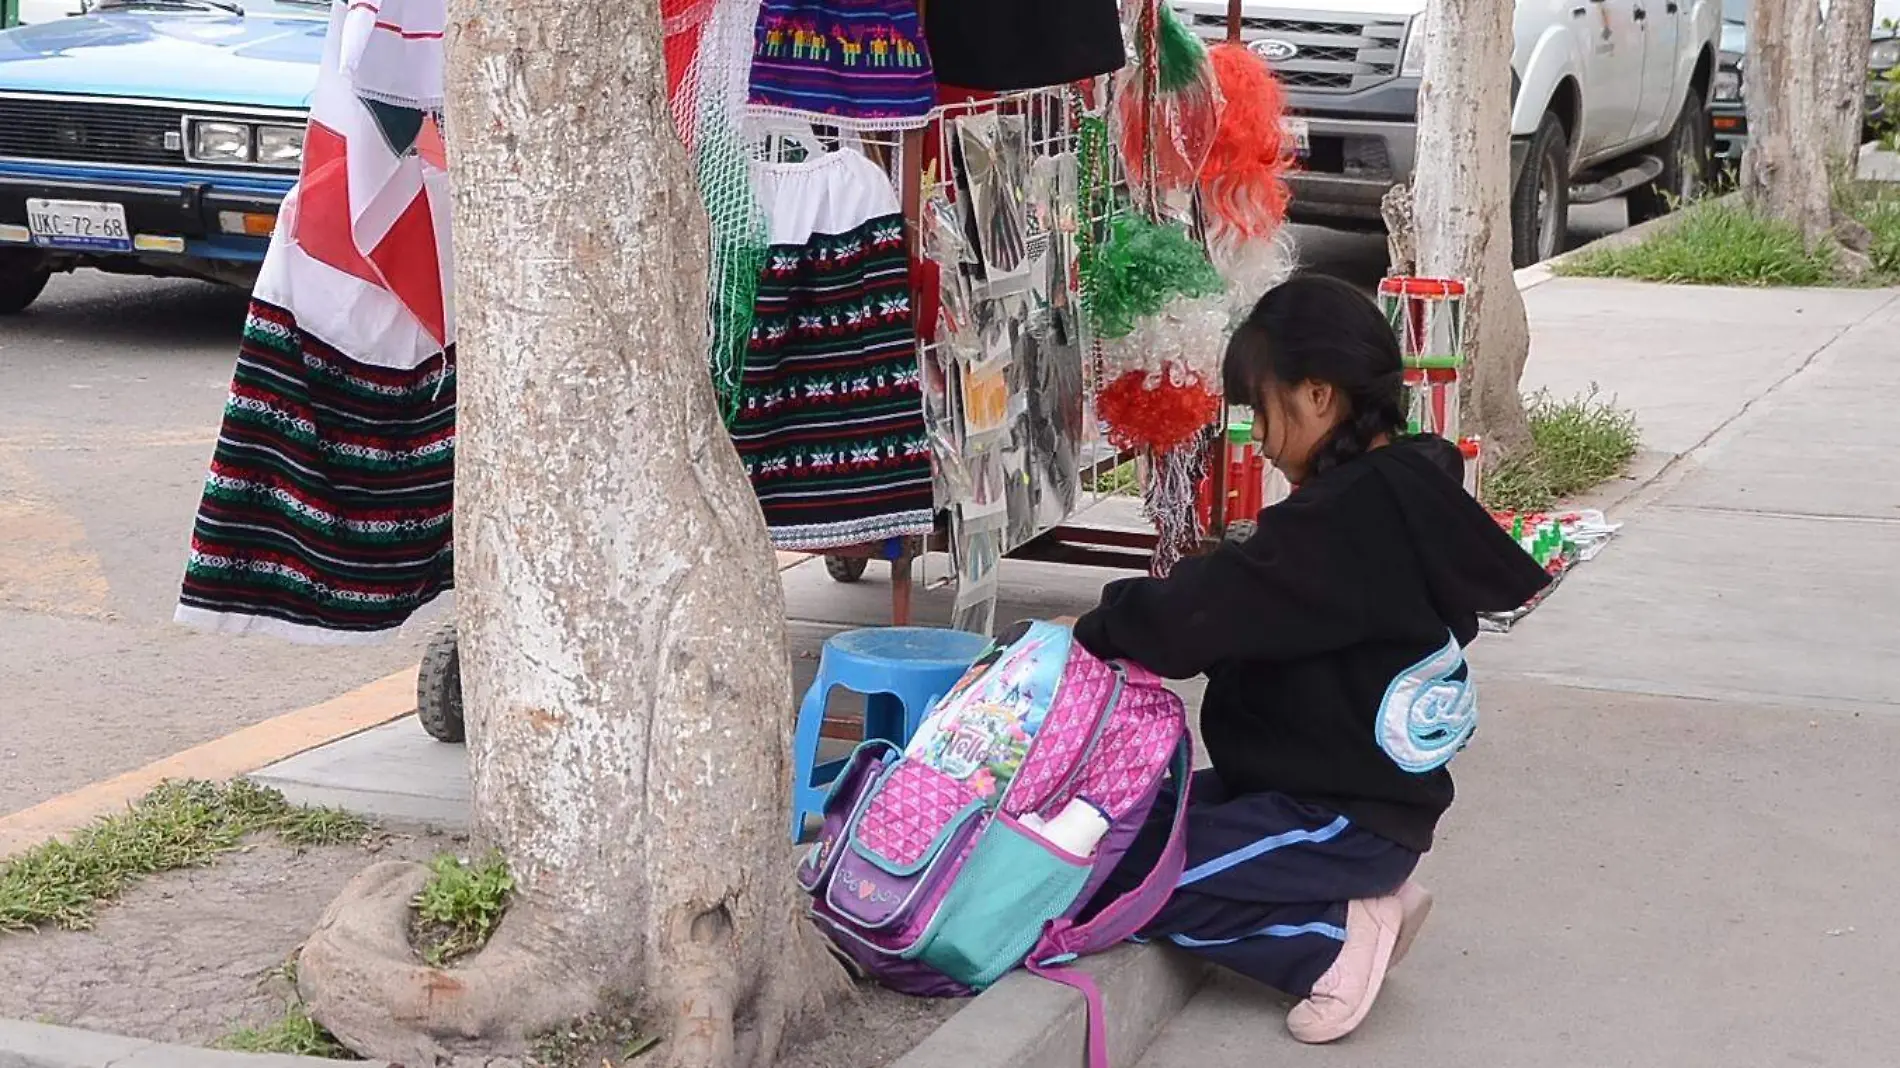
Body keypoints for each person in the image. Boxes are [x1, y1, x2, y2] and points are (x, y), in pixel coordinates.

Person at [1065, 274, 1550, 1043]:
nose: (1258, 435)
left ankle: (1329, 943)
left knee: (1111, 882)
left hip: (1335, 817)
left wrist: (1097, 627)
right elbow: (1252, 596)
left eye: (1264, 408)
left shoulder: (1347, 521)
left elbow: (1213, 605)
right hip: (1311, 790)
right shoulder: (1401, 488)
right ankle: (1366, 900)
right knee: (1121, 827)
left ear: (1319, 395)